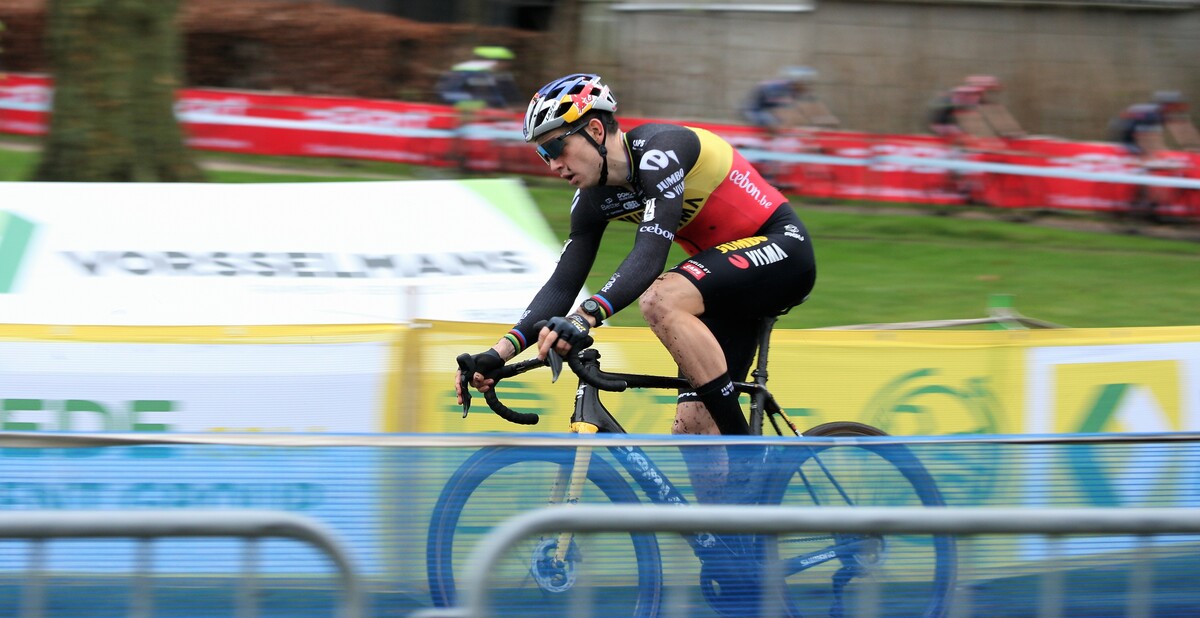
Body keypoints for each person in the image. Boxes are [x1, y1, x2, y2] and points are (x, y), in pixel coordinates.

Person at [455, 72, 815, 612]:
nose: (552, 165)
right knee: (692, 433)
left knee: (660, 299)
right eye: (542, 154)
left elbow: (649, 258)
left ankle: (749, 456)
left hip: (779, 248)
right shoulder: (592, 199)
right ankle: (747, 567)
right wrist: (500, 351)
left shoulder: (661, 151)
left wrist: (588, 318)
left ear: (597, 130)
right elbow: (562, 283)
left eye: (557, 146)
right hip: (722, 282)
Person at [434, 46, 522, 112]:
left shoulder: (499, 75)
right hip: (464, 113)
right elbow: (448, 93)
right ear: (495, 61)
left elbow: (508, 96)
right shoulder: (473, 72)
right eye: (504, 62)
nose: (507, 66)